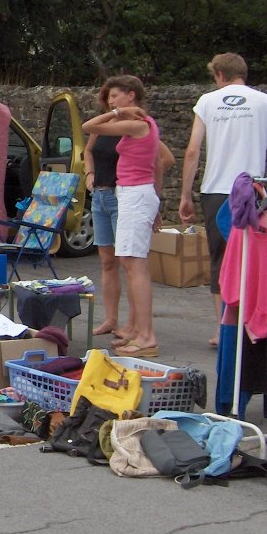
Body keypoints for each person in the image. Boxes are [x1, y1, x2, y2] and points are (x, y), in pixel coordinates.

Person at [178, 53, 267, 344]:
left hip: (215, 191)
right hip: (252, 191)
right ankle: (254, 322)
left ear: (220, 75)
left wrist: (185, 195)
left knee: (221, 259)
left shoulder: (208, 102)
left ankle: (223, 328)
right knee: (252, 257)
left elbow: (192, 150)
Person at [81, 75, 166, 358]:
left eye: (116, 96)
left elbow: (88, 125)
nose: (111, 101)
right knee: (130, 264)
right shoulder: (139, 125)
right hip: (130, 194)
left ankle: (146, 336)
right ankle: (139, 331)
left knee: (134, 265)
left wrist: (118, 113)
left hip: (135, 195)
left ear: (131, 95)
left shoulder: (138, 123)